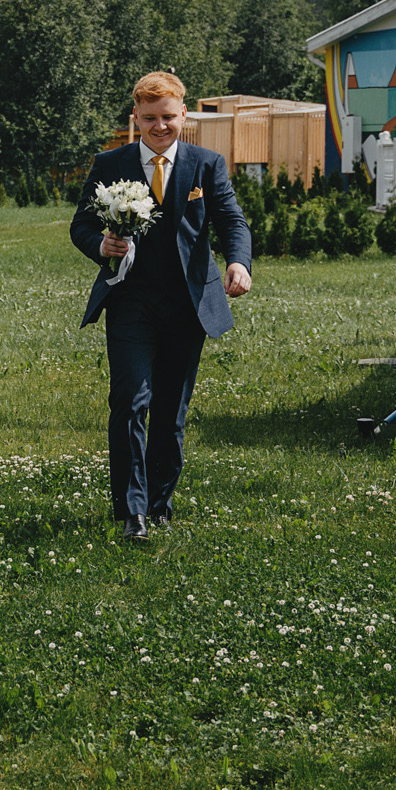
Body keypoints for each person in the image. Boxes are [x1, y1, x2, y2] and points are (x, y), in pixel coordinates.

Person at [71, 72, 252, 541]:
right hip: (130, 301)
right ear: (135, 117)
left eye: (168, 117)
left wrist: (238, 262)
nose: (159, 127)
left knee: (171, 411)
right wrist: (101, 244)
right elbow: (81, 227)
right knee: (130, 402)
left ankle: (158, 503)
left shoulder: (205, 165)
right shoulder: (109, 162)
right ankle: (131, 512)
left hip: (188, 305)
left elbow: (232, 220)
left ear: (183, 116)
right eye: (149, 118)